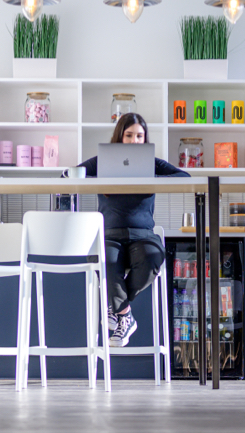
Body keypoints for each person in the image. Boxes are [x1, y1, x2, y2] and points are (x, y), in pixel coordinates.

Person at [78, 112, 189, 347]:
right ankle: (125, 314)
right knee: (104, 259)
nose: (134, 141)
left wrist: (151, 177)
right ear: (119, 136)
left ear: (145, 139)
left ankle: (115, 305)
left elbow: (184, 177)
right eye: (129, 135)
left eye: (139, 136)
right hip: (109, 235)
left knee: (152, 257)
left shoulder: (152, 163)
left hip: (143, 236)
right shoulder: (101, 161)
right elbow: (69, 175)